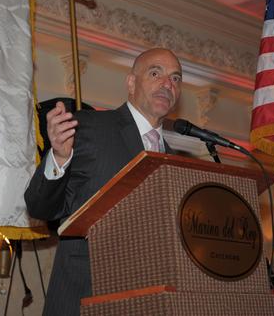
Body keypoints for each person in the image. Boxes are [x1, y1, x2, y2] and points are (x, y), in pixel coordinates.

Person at [24, 48, 182, 316]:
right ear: (131, 83)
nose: (167, 84)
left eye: (175, 79)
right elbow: (41, 207)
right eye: (156, 73)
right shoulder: (89, 126)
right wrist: (59, 158)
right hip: (86, 295)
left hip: (150, 301)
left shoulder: (176, 160)